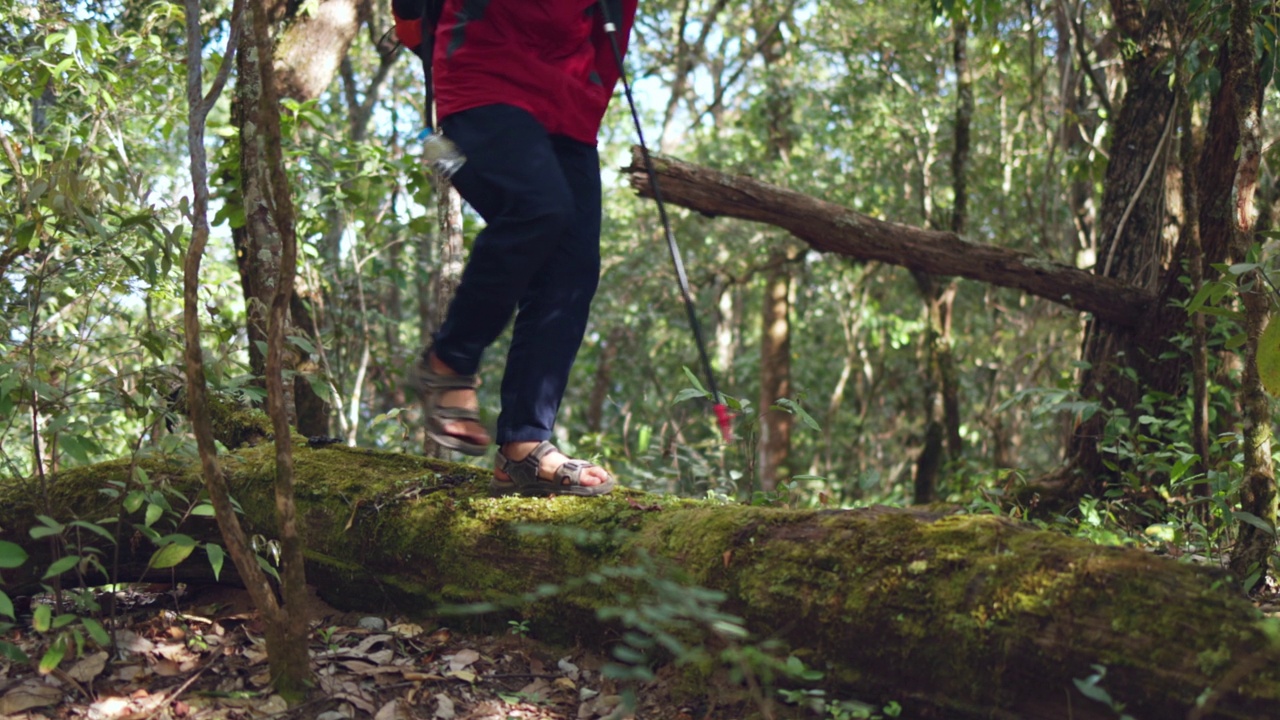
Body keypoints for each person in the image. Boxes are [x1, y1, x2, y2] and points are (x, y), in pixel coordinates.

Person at [408, 0, 638, 497]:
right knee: (540, 210)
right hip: (485, 72)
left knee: (573, 267)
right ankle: (449, 360)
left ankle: (523, 447)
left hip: (569, 101)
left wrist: (593, 87)